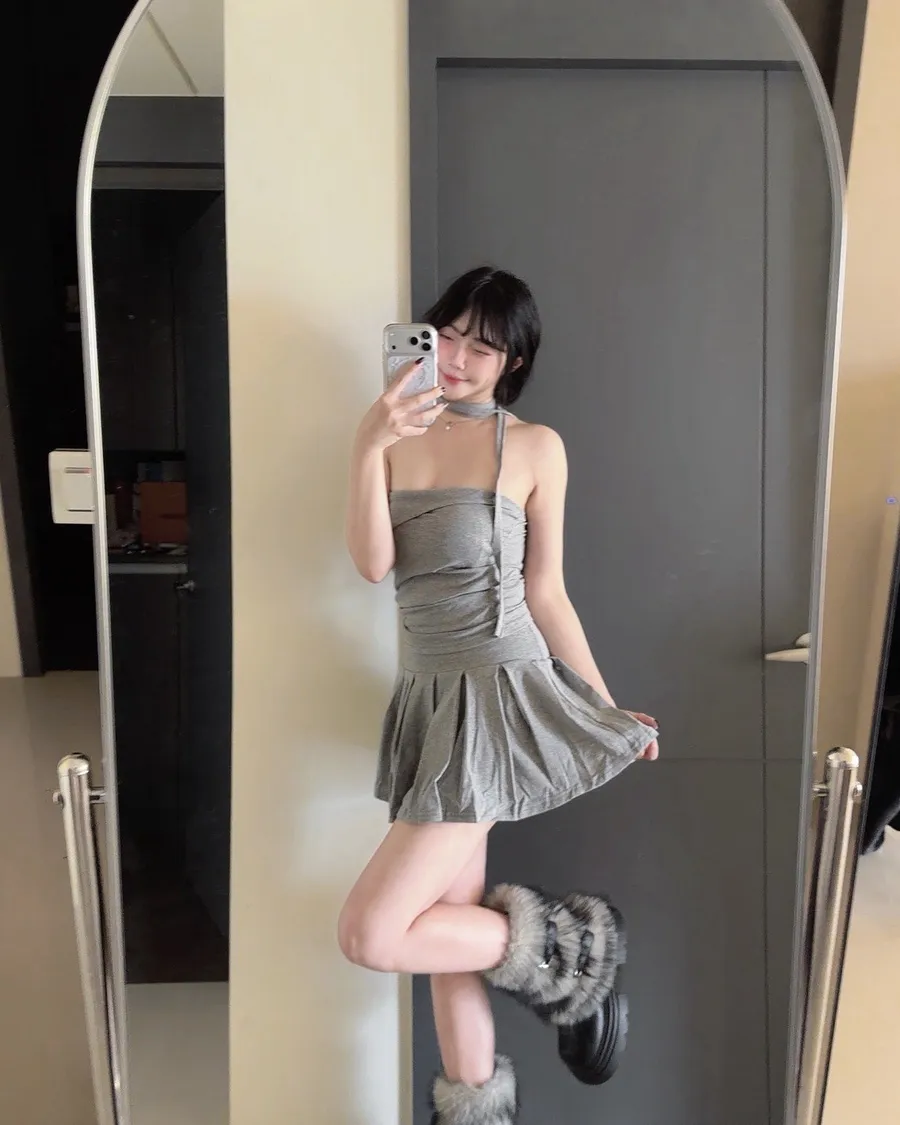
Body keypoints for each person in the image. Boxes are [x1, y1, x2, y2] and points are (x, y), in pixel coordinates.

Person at [339, 266, 659, 1125]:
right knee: (443, 934)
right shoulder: (392, 434)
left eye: (482, 347)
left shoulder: (537, 447)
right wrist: (367, 442)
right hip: (429, 698)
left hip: (499, 697)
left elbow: (547, 592)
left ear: (513, 361)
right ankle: (478, 1110)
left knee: (370, 932)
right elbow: (372, 564)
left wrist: (601, 705)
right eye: (447, 334)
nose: (456, 358)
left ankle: (572, 954)